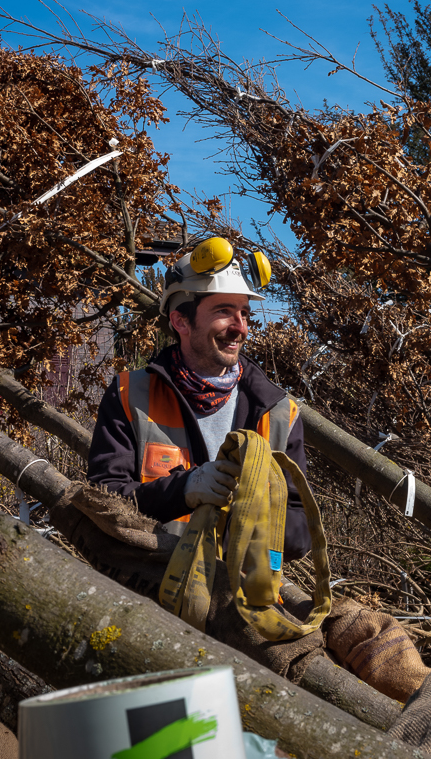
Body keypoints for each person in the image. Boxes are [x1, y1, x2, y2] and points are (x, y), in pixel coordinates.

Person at [87, 238, 312, 562]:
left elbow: (301, 533)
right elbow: (103, 499)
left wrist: (248, 514)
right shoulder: (129, 395)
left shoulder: (277, 412)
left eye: (244, 313)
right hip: (149, 596)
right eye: (224, 311)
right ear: (180, 321)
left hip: (243, 606)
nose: (241, 328)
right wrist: (185, 490)